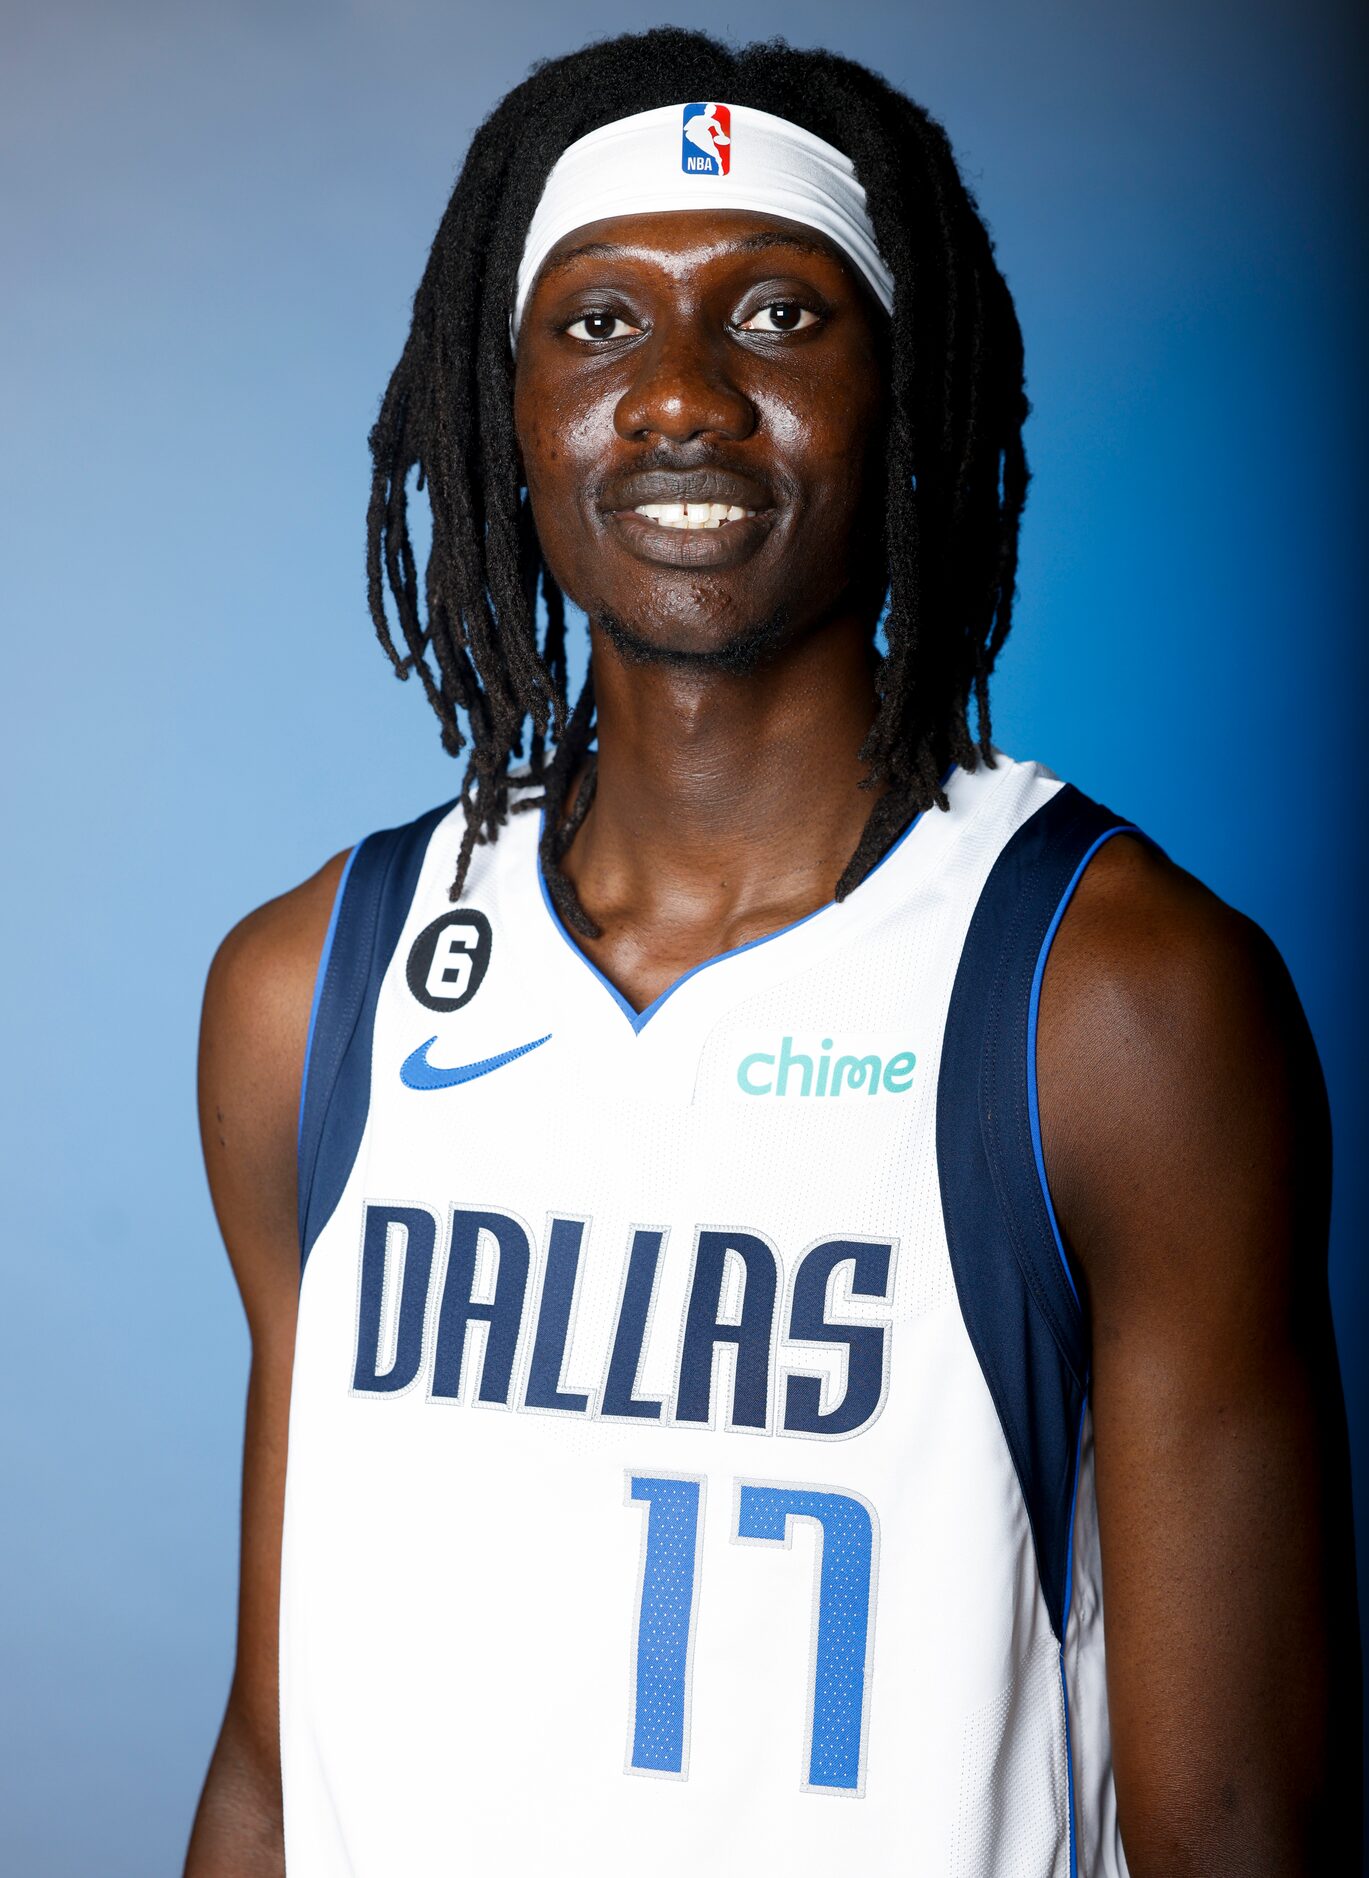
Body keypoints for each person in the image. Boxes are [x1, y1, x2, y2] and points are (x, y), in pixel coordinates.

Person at [184, 27, 1360, 1878]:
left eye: (778, 316)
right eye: (593, 324)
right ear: (496, 406)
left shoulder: (1106, 999)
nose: (676, 396)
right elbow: (272, 1760)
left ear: (910, 394)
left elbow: (1234, 1824)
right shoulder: (309, 989)